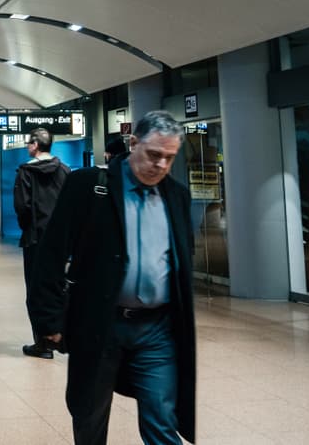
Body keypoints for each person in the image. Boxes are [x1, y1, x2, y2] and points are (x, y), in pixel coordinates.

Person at [32, 110, 196, 445]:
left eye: (170, 158)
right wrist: (47, 320)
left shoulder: (176, 195)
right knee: (90, 415)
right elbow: (50, 254)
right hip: (100, 325)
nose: (161, 166)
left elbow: (182, 259)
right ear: (133, 143)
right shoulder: (89, 186)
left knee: (163, 419)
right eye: (154, 155)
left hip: (157, 330)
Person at [13, 127, 70, 359]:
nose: (28, 146)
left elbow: (22, 207)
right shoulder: (65, 171)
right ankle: (60, 334)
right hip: (61, 241)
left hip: (36, 239)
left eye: (29, 143)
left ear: (35, 145)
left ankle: (43, 343)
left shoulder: (25, 172)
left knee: (36, 290)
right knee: (58, 287)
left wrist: (29, 228)